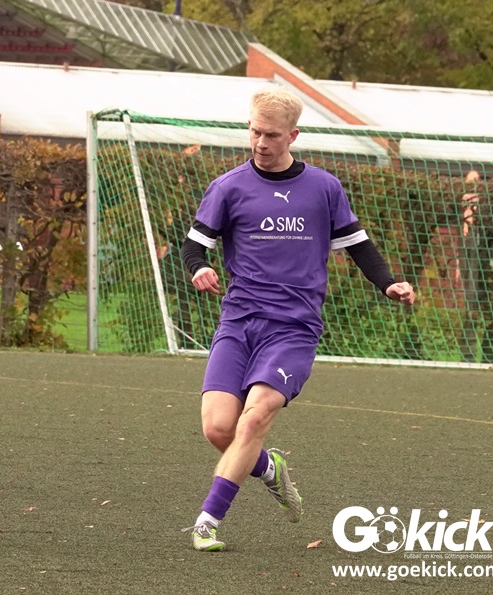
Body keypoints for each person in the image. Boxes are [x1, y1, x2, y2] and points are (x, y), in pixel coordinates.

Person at [179, 86, 416, 551]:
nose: (260, 143)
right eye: (254, 132)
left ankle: (207, 521)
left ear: (293, 136)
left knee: (253, 420)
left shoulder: (324, 188)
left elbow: (359, 245)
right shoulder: (227, 187)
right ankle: (270, 468)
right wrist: (199, 268)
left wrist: (388, 283)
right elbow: (194, 245)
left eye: (271, 135)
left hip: (293, 329)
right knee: (219, 429)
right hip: (239, 323)